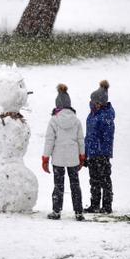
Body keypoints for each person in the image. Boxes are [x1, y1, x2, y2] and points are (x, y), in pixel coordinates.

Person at [42, 84, 86, 221]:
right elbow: (80, 140)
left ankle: (56, 211)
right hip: (73, 158)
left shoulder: (54, 120)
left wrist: (45, 158)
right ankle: (79, 212)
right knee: (75, 185)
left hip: (58, 159)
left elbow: (49, 140)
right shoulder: (76, 120)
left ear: (57, 105)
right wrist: (82, 156)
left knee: (58, 185)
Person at [84, 80, 115, 214]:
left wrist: (101, 150)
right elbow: (88, 136)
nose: (93, 104)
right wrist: (85, 152)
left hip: (102, 153)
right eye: (92, 101)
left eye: (95, 102)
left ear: (101, 104)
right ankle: (95, 204)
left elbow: (107, 137)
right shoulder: (91, 116)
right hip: (92, 153)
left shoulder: (106, 116)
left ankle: (107, 205)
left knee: (105, 180)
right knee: (94, 180)